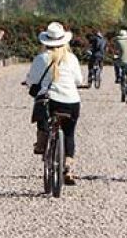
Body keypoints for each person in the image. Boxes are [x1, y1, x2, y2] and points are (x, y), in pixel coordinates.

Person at [25, 22, 85, 185]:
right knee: (69, 133)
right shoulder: (72, 58)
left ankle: (42, 141)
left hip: (50, 100)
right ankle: (68, 165)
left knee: (41, 110)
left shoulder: (41, 58)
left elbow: (32, 80)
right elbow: (79, 80)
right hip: (72, 101)